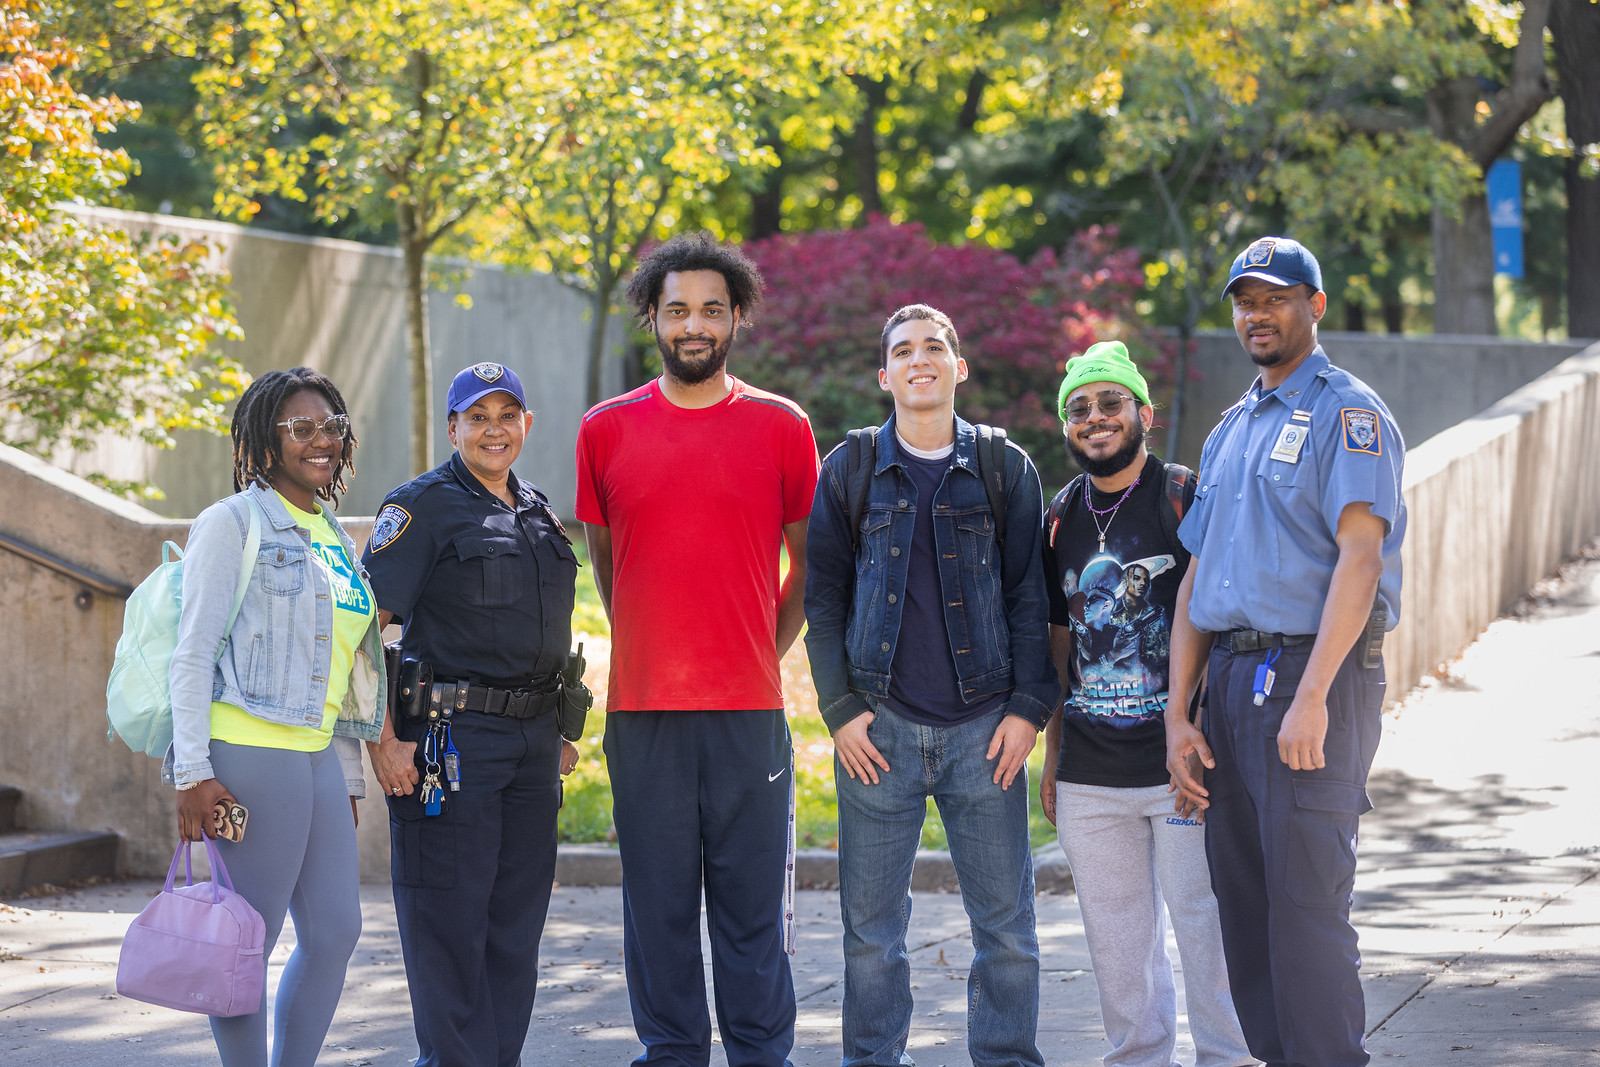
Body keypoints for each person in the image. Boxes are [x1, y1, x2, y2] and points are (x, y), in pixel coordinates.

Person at [574, 232, 818, 1067]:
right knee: (658, 905)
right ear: (652, 315)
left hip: (750, 712)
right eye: (677, 308)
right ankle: (672, 1052)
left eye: (713, 308)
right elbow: (609, 565)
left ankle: (760, 1055)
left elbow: (808, 566)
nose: (694, 324)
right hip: (642, 712)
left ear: (737, 317)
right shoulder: (604, 430)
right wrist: (652, 634)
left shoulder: (782, 425)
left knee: (753, 905)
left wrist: (758, 646)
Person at [1165, 237, 1406, 1067]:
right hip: (1228, 681)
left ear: (1315, 305)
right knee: (1245, 899)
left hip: (1312, 677)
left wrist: (1312, 698)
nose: (1255, 314)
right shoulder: (1232, 427)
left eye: (1274, 297)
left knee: (1305, 903)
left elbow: (1361, 559)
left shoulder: (1350, 413)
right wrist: (1176, 716)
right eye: (1244, 300)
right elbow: (1197, 579)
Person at [804, 303, 1053, 1067]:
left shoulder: (1006, 468)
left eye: (935, 347)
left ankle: (1006, 1058)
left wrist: (1027, 710)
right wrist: (841, 711)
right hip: (877, 734)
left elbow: (1029, 597)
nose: (920, 359)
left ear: (958, 367)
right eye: (904, 350)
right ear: (885, 374)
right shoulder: (847, 469)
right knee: (871, 936)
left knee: (1006, 930)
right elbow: (822, 598)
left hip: (986, 734)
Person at [1039, 341, 1254, 1067]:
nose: (1094, 418)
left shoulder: (1181, 494)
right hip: (1091, 774)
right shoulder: (1061, 514)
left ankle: (1230, 1057)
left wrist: (1192, 725)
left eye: (1109, 403)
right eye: (1079, 408)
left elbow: (1219, 612)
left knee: (1206, 926)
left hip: (1183, 766)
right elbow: (1060, 635)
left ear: (1143, 413)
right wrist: (1053, 750)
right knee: (1117, 941)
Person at [361, 362, 582, 1067]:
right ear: (451, 426)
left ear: (527, 424)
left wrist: (557, 733)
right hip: (449, 741)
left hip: (530, 745)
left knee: (514, 930)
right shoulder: (421, 506)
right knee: (448, 928)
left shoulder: (539, 509)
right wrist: (383, 740)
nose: (493, 428)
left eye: (506, 414)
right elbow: (364, 630)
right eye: (476, 416)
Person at [168, 366, 385, 1067]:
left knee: (334, 931)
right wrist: (193, 771)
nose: (320, 440)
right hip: (249, 753)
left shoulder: (333, 533)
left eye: (332, 427)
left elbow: (344, 672)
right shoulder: (231, 522)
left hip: (319, 755)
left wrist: (349, 771)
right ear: (266, 439)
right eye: (301, 428)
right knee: (245, 937)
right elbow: (193, 652)